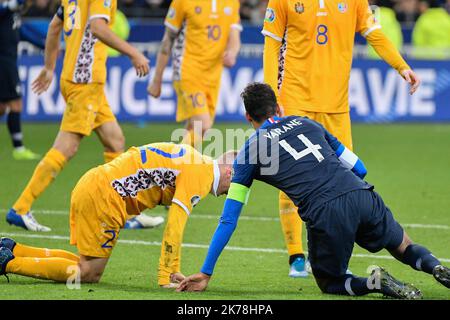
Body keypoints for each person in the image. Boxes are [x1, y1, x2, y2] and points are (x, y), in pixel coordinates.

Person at [177, 83, 450, 299]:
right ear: (279, 107)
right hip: (360, 191)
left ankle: (374, 282)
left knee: (331, 282)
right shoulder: (308, 124)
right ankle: (434, 265)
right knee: (404, 245)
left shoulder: (250, 150)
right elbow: (360, 167)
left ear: (248, 116)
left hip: (324, 210)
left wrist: (205, 272)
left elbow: (229, 219)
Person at [262, 0, 421, 277]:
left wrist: (401, 65)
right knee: (293, 178)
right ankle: (296, 256)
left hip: (336, 104)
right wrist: (271, 96)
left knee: (349, 179)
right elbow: (272, 45)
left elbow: (374, 33)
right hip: (294, 98)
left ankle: (330, 253)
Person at [0, 143, 236, 287]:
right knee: (90, 273)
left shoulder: (197, 161)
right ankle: (9, 263)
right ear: (229, 171)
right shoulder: (202, 175)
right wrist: (167, 275)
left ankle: (14, 249)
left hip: (95, 185)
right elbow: (175, 224)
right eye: (238, 181)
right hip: (106, 197)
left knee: (84, 263)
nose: (232, 192)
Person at [6, 0, 150, 232]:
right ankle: (21, 208)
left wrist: (49, 67)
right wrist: (134, 53)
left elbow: (55, 26)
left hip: (78, 79)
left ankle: (121, 211)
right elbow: (98, 27)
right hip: (85, 81)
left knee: (115, 140)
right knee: (67, 147)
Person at [148, 0, 242, 149]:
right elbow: (167, 41)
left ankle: (177, 166)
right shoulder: (182, 2)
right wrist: (156, 79)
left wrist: (232, 52)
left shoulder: (231, 2)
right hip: (188, 70)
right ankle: (172, 161)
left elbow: (234, 36)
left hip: (213, 76)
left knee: (194, 129)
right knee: (203, 125)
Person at [0, 0, 40, 160]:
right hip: (4, 63)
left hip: (8, 62)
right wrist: (12, 5)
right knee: (16, 103)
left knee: (2, 108)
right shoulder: (6, 9)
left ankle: (19, 148)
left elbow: (21, 33)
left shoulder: (11, 14)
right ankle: (19, 148)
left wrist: (43, 44)